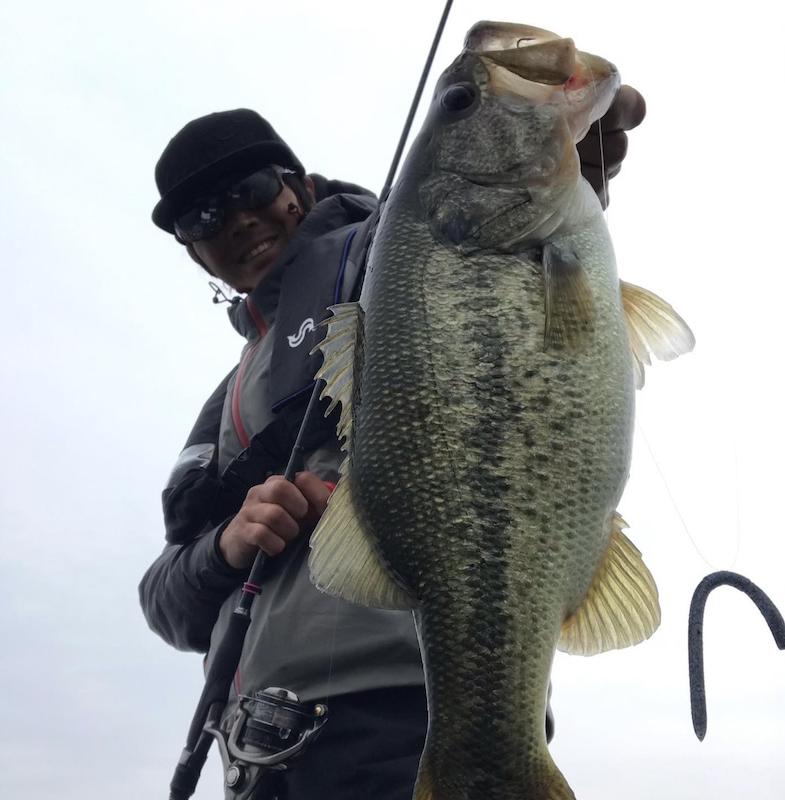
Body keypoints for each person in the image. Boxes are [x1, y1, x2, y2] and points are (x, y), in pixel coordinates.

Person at [140, 86, 646, 800]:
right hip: (256, 756)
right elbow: (164, 597)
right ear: (194, 253)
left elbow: (486, 240)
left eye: (250, 188)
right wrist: (228, 543)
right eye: (202, 218)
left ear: (297, 186)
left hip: (403, 718)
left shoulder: (393, 255)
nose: (237, 219)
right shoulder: (226, 401)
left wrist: (561, 153)